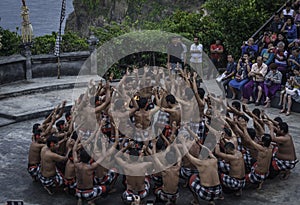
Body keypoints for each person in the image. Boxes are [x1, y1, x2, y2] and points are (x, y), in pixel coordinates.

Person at [182, 141, 223, 205]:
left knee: (191, 178)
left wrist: (183, 143)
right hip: (218, 191)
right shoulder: (214, 160)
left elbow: (187, 154)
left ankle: (196, 202)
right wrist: (200, 145)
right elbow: (209, 152)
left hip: (206, 193)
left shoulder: (199, 163)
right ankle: (212, 201)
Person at [240, 122, 273, 189]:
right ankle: (260, 182)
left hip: (258, 175)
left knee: (241, 180)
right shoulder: (270, 146)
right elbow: (269, 136)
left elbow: (249, 140)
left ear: (263, 142)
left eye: (261, 138)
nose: (259, 138)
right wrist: (271, 127)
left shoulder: (262, 149)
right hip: (266, 173)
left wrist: (244, 128)